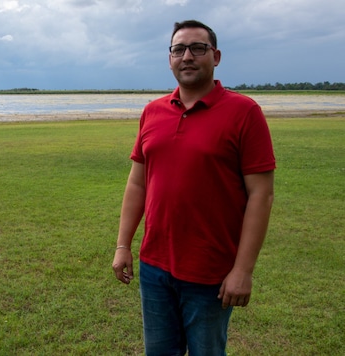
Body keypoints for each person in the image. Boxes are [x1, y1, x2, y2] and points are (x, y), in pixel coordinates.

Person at [111, 20, 275, 355]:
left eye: (197, 48)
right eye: (178, 49)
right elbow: (138, 182)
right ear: (169, 58)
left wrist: (242, 270)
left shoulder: (244, 112)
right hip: (155, 267)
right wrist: (122, 245)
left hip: (211, 272)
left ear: (215, 56)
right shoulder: (152, 112)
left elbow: (261, 195)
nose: (187, 56)